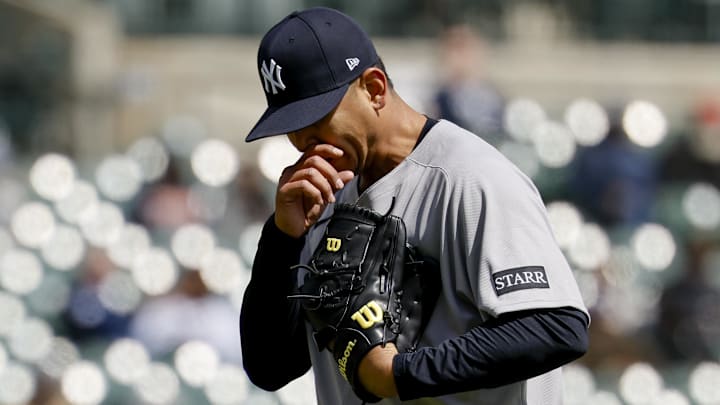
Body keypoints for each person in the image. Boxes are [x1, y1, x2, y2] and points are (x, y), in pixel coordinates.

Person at [240, 7, 589, 405]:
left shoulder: (470, 178)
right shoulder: (319, 197)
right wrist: (282, 240)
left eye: (316, 118)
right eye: (291, 125)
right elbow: (270, 368)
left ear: (374, 88)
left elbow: (557, 327)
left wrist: (400, 376)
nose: (303, 140)